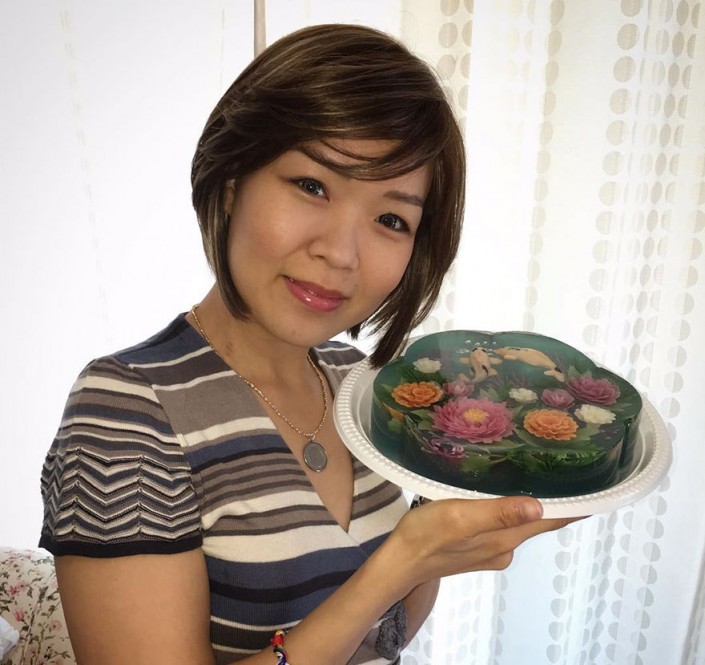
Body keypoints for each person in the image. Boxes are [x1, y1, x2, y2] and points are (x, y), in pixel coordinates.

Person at [40, 23, 575, 665]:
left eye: (390, 219)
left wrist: (451, 506)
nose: (341, 254)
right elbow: (390, 582)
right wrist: (405, 559)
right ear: (232, 181)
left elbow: (386, 637)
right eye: (312, 186)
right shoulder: (126, 412)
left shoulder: (365, 387)